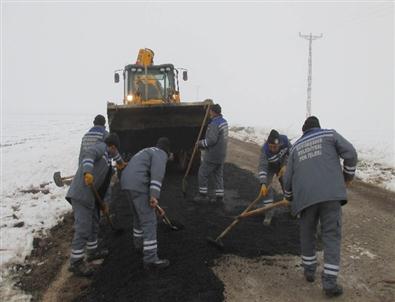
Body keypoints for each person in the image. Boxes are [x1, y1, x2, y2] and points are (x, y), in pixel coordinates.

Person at [283, 116, 357, 297]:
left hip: (305, 199)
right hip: (331, 195)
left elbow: (287, 178)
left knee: (307, 234)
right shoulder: (330, 135)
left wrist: (289, 196)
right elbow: (351, 153)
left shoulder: (295, 148)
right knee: (331, 236)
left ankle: (309, 272)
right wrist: (348, 176)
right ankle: (330, 283)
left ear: (304, 131)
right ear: (318, 127)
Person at [66, 133, 123, 277]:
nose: (115, 153)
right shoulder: (101, 148)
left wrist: (104, 203)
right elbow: (88, 154)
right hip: (81, 194)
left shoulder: (108, 159)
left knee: (93, 223)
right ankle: (76, 262)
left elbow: (106, 185)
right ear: (112, 146)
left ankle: (92, 251)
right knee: (83, 227)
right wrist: (87, 172)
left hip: (91, 198)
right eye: (115, 150)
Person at [120, 137, 171, 270]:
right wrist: (154, 196)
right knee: (149, 221)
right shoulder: (161, 154)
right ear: (167, 150)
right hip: (138, 184)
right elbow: (157, 175)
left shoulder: (146, 151)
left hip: (126, 183)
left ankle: (139, 245)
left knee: (138, 216)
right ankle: (150, 259)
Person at [194, 103, 229, 203]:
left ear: (213, 112)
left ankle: (203, 195)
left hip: (213, 155)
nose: (209, 113)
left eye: (210, 111)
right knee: (218, 175)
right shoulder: (224, 122)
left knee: (202, 173)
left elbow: (211, 140)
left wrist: (200, 143)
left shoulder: (214, 124)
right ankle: (219, 197)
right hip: (221, 154)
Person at [257, 129, 292, 224]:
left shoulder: (284, 140)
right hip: (270, 167)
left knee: (287, 183)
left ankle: (292, 207)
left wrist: (285, 164)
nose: (273, 149)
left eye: (275, 147)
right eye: (271, 146)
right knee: (266, 188)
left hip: (282, 165)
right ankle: (269, 213)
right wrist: (263, 183)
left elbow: (292, 154)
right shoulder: (264, 150)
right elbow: (263, 167)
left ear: (280, 144)